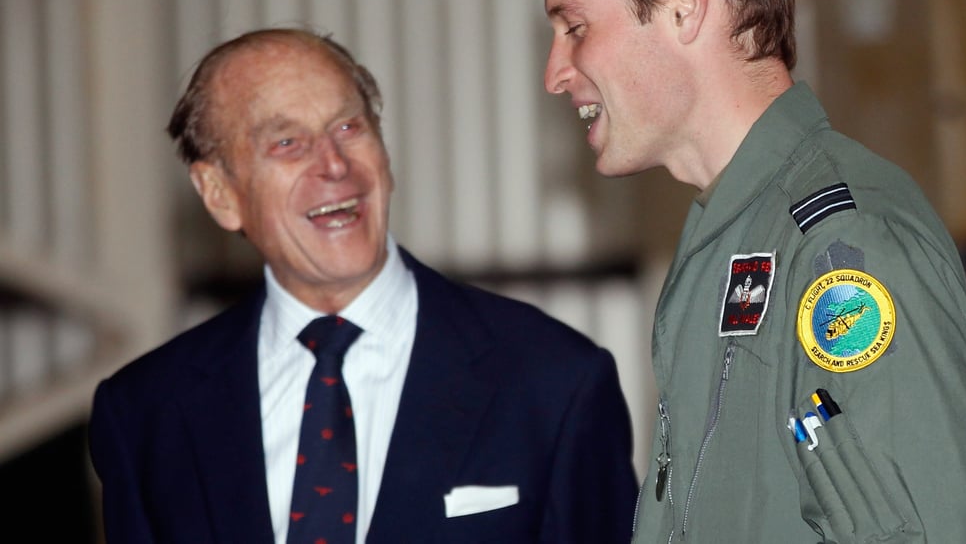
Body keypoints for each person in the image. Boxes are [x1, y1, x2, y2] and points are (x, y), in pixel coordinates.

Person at [538, 0, 966, 544]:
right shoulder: (731, 238)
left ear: (683, 8)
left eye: (575, 28)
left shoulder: (843, 245)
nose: (554, 73)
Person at [89, 28, 638, 544]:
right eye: (286, 143)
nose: (333, 164)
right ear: (219, 192)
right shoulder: (147, 412)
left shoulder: (552, 382)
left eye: (349, 128)